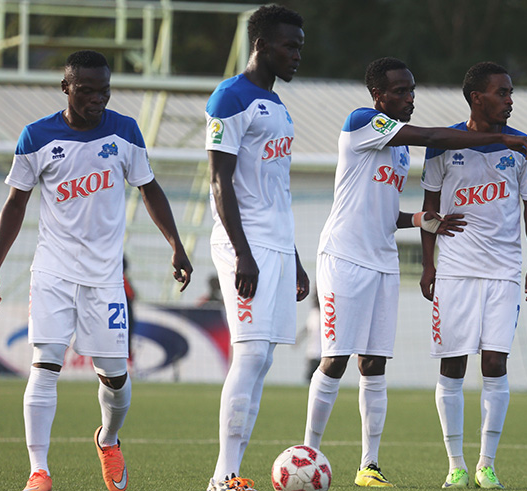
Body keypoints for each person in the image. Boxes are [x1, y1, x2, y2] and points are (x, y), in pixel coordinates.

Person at [303, 56, 527, 488]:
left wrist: (420, 220)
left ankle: (368, 465)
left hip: (383, 260)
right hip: (343, 257)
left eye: (412, 90)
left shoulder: (397, 150)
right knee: (336, 359)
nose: (409, 97)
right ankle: (308, 454)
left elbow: (384, 211)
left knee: (374, 363)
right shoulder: (363, 121)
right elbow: (434, 134)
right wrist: (502, 138)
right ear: (378, 96)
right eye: (400, 91)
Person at [0, 50, 193, 491]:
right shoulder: (36, 137)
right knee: (45, 366)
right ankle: (39, 471)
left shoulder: (126, 132)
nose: (98, 98)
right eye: (87, 90)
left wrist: (176, 245)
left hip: (105, 278)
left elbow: (150, 190)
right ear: (66, 88)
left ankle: (108, 439)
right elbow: (15, 203)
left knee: (116, 380)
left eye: (104, 90)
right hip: (53, 272)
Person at [419, 61, 527, 489]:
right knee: (453, 365)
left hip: (504, 273)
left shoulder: (521, 148)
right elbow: (429, 209)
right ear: (478, 97)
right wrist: (428, 263)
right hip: (454, 272)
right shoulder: (441, 146)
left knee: (494, 363)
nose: (510, 100)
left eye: (511, 93)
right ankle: (455, 464)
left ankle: (486, 463)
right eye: (502, 92)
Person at [204, 5, 309, 491]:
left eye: (300, 47)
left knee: (263, 359)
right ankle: (222, 477)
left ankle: (233, 472)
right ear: (261, 45)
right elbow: (220, 180)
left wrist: (293, 258)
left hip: (275, 246)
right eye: (289, 46)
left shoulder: (280, 108)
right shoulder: (229, 97)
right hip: (241, 245)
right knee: (248, 356)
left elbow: (277, 189)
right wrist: (243, 252)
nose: (296, 56)